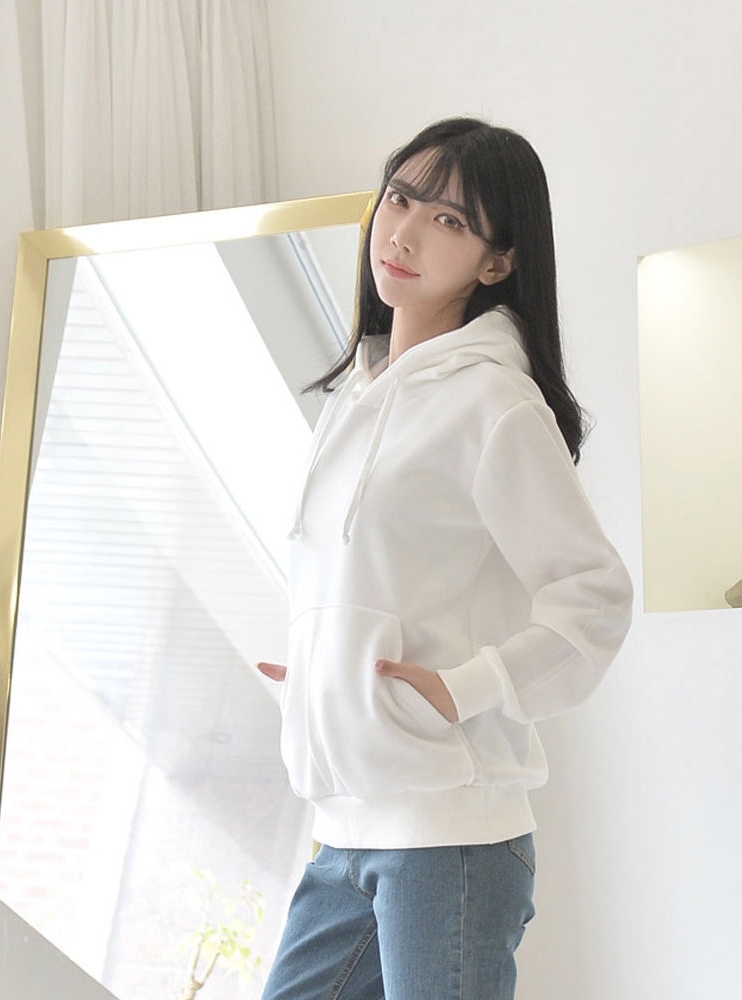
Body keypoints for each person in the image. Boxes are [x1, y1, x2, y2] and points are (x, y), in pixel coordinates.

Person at [256, 117, 633, 1000]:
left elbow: (595, 596)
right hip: (346, 829)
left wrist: (465, 688)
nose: (404, 233)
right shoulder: (355, 397)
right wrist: (323, 671)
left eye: (449, 221)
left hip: (451, 835)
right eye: (399, 199)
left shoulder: (494, 403)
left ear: (497, 263)